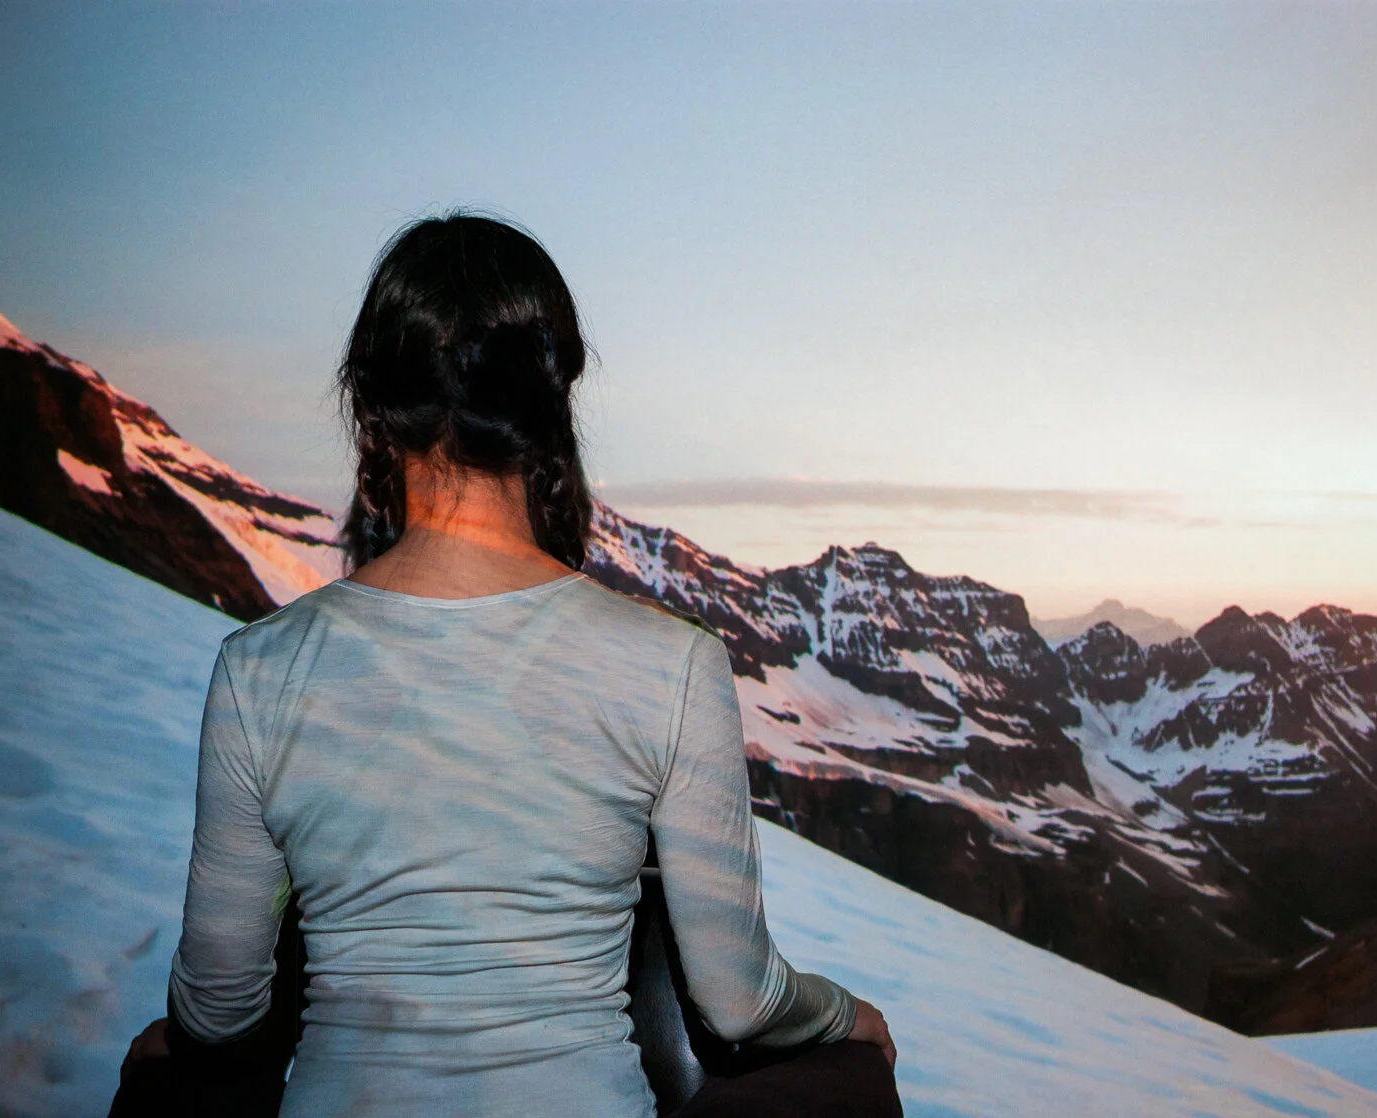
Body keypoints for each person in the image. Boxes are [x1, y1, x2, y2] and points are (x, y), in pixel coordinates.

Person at [118, 213, 896, 1116]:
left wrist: (176, 1039)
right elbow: (739, 1000)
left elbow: (221, 1009)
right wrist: (850, 1019)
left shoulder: (257, 670)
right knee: (848, 1079)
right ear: (549, 399)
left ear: (371, 407)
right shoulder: (673, 663)